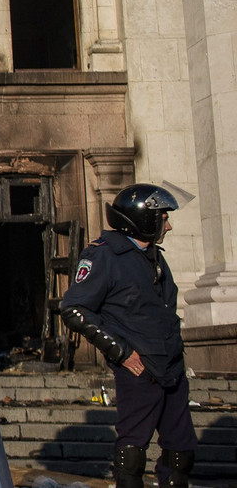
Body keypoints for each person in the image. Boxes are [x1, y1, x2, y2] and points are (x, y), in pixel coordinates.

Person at [60, 183, 197, 488]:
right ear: (143, 218)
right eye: (163, 218)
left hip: (171, 366)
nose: (169, 225)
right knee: (132, 454)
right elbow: (74, 309)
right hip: (139, 369)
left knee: (181, 453)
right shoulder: (104, 256)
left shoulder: (155, 258)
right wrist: (120, 352)